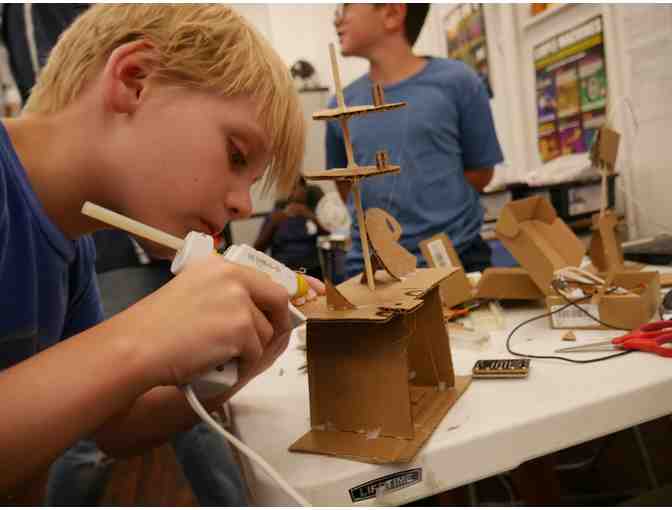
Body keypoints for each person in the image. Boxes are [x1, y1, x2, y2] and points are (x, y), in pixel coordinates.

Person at [0, 4, 324, 502]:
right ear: (135, 81)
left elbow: (115, 428)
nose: (243, 204)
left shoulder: (73, 248)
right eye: (236, 155)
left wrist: (254, 352)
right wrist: (143, 337)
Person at [327, 3, 504, 277]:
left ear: (392, 14)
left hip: (458, 259)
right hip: (371, 270)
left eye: (346, 6)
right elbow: (345, 184)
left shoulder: (459, 82)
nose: (337, 18)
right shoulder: (340, 105)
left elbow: (480, 173)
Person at [254, 177, 327, 280]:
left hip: (311, 269)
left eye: (294, 188)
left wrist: (309, 216)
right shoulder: (277, 213)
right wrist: (272, 225)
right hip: (282, 269)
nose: (290, 193)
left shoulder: (314, 211)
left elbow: (330, 235)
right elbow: (258, 248)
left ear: (304, 188)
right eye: (287, 189)